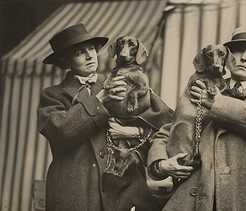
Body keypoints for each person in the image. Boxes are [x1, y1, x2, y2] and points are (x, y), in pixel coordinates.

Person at [147, 26, 246, 211]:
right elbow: (169, 130)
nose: (243, 58)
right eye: (237, 51)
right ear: (226, 58)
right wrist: (161, 164)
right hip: (202, 196)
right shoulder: (204, 88)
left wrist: (215, 104)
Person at [38, 24, 173, 211]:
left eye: (91, 49)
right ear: (65, 61)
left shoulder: (121, 79)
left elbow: (166, 121)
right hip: (77, 191)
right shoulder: (53, 95)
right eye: (79, 52)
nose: (89, 56)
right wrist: (100, 100)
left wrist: (134, 131)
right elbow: (61, 132)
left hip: (123, 190)